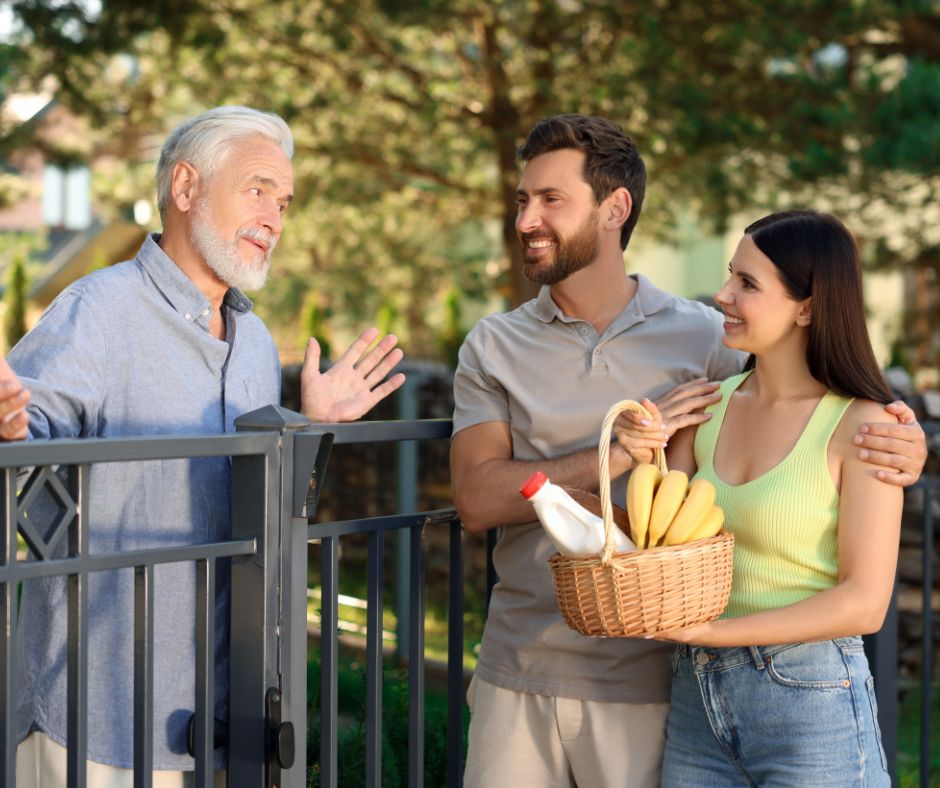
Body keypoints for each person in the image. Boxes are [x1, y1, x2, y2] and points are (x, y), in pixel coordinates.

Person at [449, 115, 926, 788]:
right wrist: (609, 456)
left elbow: (813, 395)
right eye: (522, 199)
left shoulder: (706, 337)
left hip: (669, 682)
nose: (525, 218)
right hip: (536, 668)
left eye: (550, 199)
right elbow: (482, 500)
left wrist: (904, 442)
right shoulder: (494, 345)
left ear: (615, 208)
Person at [0, 106, 405, 787]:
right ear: (186, 189)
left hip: (223, 721)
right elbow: (26, 446)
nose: (275, 217)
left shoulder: (251, 340)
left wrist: (305, 427)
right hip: (96, 719)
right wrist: (10, 428)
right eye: (257, 190)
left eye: (284, 201)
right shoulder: (97, 309)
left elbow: (265, 513)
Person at [614, 209, 901, 786]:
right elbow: (654, 548)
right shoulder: (705, 408)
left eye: (747, 284)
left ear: (809, 306)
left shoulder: (863, 427)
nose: (722, 295)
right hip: (697, 700)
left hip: (812, 704)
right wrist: (636, 455)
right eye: (729, 276)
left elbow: (865, 602)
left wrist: (713, 633)